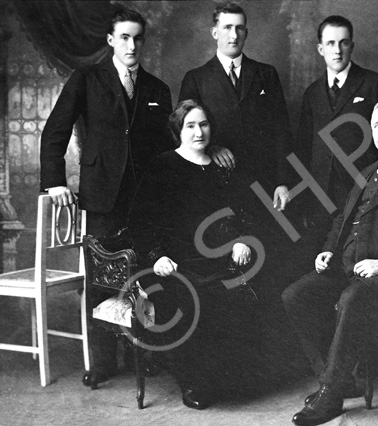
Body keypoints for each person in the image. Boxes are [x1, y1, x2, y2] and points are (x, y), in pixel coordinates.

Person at [283, 101, 378, 426]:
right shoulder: (367, 172)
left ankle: (331, 393)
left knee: (350, 299)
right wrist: (328, 250)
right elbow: (343, 217)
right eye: (376, 125)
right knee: (294, 295)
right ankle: (339, 378)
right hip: (348, 269)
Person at [40, 8, 173, 386]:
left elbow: (165, 148)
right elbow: (54, 133)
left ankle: (144, 354)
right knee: (102, 281)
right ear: (111, 41)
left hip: (146, 201)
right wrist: (55, 182)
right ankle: (103, 362)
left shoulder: (156, 89)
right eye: (124, 38)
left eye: (138, 38)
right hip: (102, 199)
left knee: (148, 276)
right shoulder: (87, 79)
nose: (132, 45)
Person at [129, 99, 258, 409]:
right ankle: (194, 381)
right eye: (190, 126)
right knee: (191, 300)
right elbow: (141, 220)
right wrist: (157, 256)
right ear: (178, 130)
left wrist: (242, 239)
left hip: (219, 259)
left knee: (239, 296)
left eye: (203, 124)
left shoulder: (221, 168)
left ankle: (227, 378)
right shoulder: (162, 166)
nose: (199, 132)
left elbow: (244, 212)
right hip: (174, 263)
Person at [178, 2, 292, 212]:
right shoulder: (195, 78)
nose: (234, 35)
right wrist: (211, 147)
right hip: (215, 181)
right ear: (214, 32)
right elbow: (183, 133)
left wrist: (283, 181)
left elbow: (281, 130)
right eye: (227, 28)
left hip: (263, 184)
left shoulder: (266, 74)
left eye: (239, 28)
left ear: (246, 32)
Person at [295, 15, 378, 243]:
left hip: (361, 188)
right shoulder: (312, 92)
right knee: (320, 256)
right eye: (330, 43)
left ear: (352, 46)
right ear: (320, 48)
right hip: (320, 194)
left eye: (343, 43)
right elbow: (303, 147)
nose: (337, 50)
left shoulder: (373, 83)